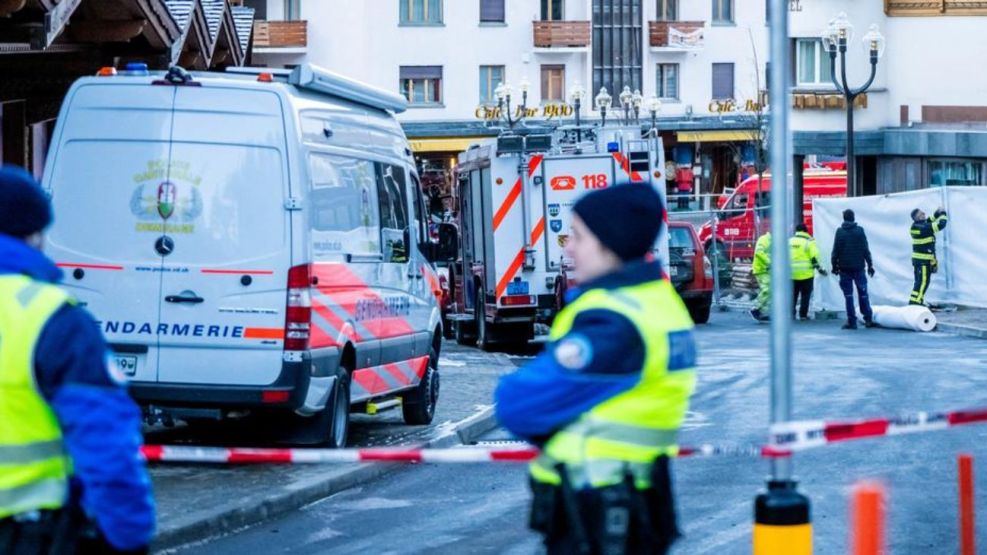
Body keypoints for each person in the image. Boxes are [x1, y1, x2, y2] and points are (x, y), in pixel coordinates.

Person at [495, 184, 696, 555]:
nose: (568, 247)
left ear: (610, 244)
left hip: (599, 516)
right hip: (636, 502)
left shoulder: (613, 322)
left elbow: (517, 403)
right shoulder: (657, 303)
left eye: (578, 235)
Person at [0, 165, 154, 554]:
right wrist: (129, 536)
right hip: (24, 535)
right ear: (33, 234)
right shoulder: (50, 317)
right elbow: (105, 442)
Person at [831, 209, 876, 330]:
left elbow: (835, 251)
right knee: (863, 294)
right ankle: (868, 318)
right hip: (859, 267)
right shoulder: (859, 231)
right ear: (853, 217)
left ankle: (852, 321)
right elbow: (865, 249)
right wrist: (870, 265)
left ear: (844, 218)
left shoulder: (840, 232)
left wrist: (834, 266)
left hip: (844, 269)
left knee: (848, 296)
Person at [909, 207, 947, 306]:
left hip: (918, 260)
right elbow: (941, 225)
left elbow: (928, 220)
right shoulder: (924, 228)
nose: (924, 214)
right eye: (921, 214)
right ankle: (916, 303)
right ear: (917, 217)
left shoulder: (915, 226)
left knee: (918, 282)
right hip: (924, 261)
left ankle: (916, 300)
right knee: (923, 282)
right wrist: (943, 213)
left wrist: (936, 213)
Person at [789, 223, 828, 320]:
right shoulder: (809, 242)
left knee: (792, 295)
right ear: (806, 231)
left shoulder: (789, 241)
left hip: (791, 274)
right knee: (805, 296)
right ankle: (803, 315)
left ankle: (791, 314)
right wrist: (820, 269)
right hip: (806, 274)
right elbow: (814, 257)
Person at [750, 231, 771, 322]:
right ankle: (756, 308)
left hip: (767, 270)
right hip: (761, 269)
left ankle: (762, 312)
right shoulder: (764, 239)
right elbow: (759, 252)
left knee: (770, 291)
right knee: (767, 289)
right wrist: (770, 263)